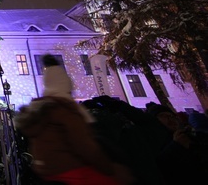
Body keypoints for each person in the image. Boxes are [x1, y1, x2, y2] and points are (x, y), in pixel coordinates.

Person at [13, 54, 133, 185]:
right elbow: (87, 149)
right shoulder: (65, 111)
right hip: (71, 172)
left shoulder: (38, 112)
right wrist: (111, 170)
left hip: (46, 173)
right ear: (66, 87)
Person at [145, 102, 208, 182]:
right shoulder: (152, 144)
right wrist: (176, 146)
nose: (169, 118)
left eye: (172, 116)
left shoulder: (193, 135)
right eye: (163, 116)